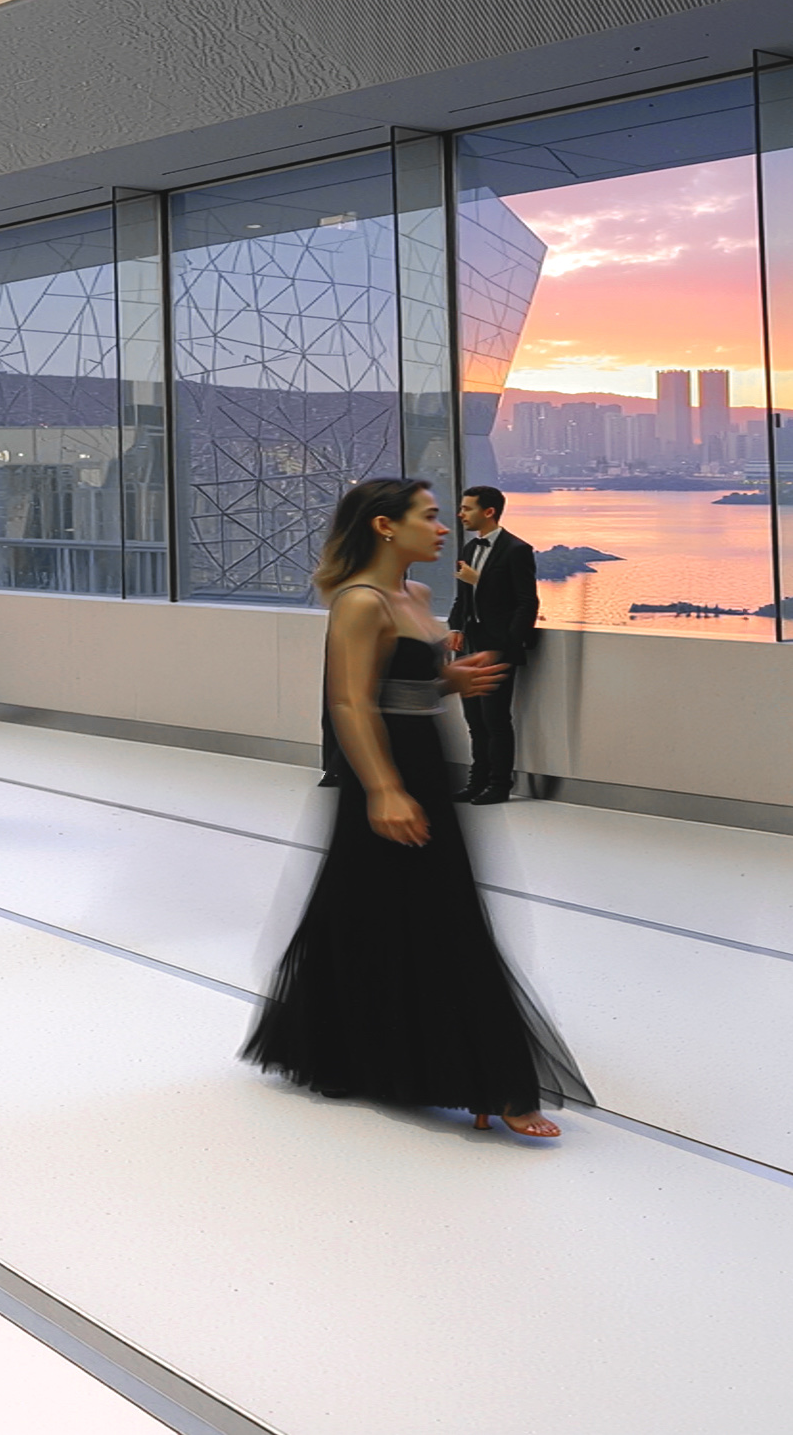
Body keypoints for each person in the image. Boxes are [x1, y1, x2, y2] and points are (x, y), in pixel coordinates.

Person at [242, 477, 584, 1138]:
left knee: (401, 906)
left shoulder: (416, 596)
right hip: (388, 767)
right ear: (383, 527)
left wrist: (448, 679)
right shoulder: (359, 603)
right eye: (428, 517)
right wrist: (382, 788)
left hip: (423, 760)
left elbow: (408, 679)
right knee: (415, 908)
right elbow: (349, 701)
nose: (442, 528)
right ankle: (490, 1077)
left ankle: (389, 1053)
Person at [446, 484, 540, 804]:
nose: (460, 515)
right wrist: (456, 627)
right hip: (470, 645)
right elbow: (463, 599)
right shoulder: (468, 550)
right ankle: (477, 781)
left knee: (495, 719)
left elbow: (527, 603)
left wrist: (505, 646)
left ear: (489, 512)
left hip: (497, 648)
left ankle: (500, 785)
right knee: (474, 718)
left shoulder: (517, 550)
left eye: (467, 509)